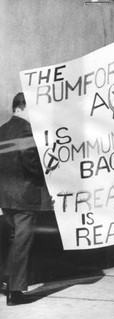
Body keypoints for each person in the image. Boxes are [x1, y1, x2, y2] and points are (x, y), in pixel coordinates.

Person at [0, 92, 51, 306]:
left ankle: (8, 282)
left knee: (13, 241)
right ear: (22, 108)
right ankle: (16, 291)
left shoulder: (2, 130)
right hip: (25, 197)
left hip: (6, 197)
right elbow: (30, 162)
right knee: (22, 242)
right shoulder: (25, 129)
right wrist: (47, 170)